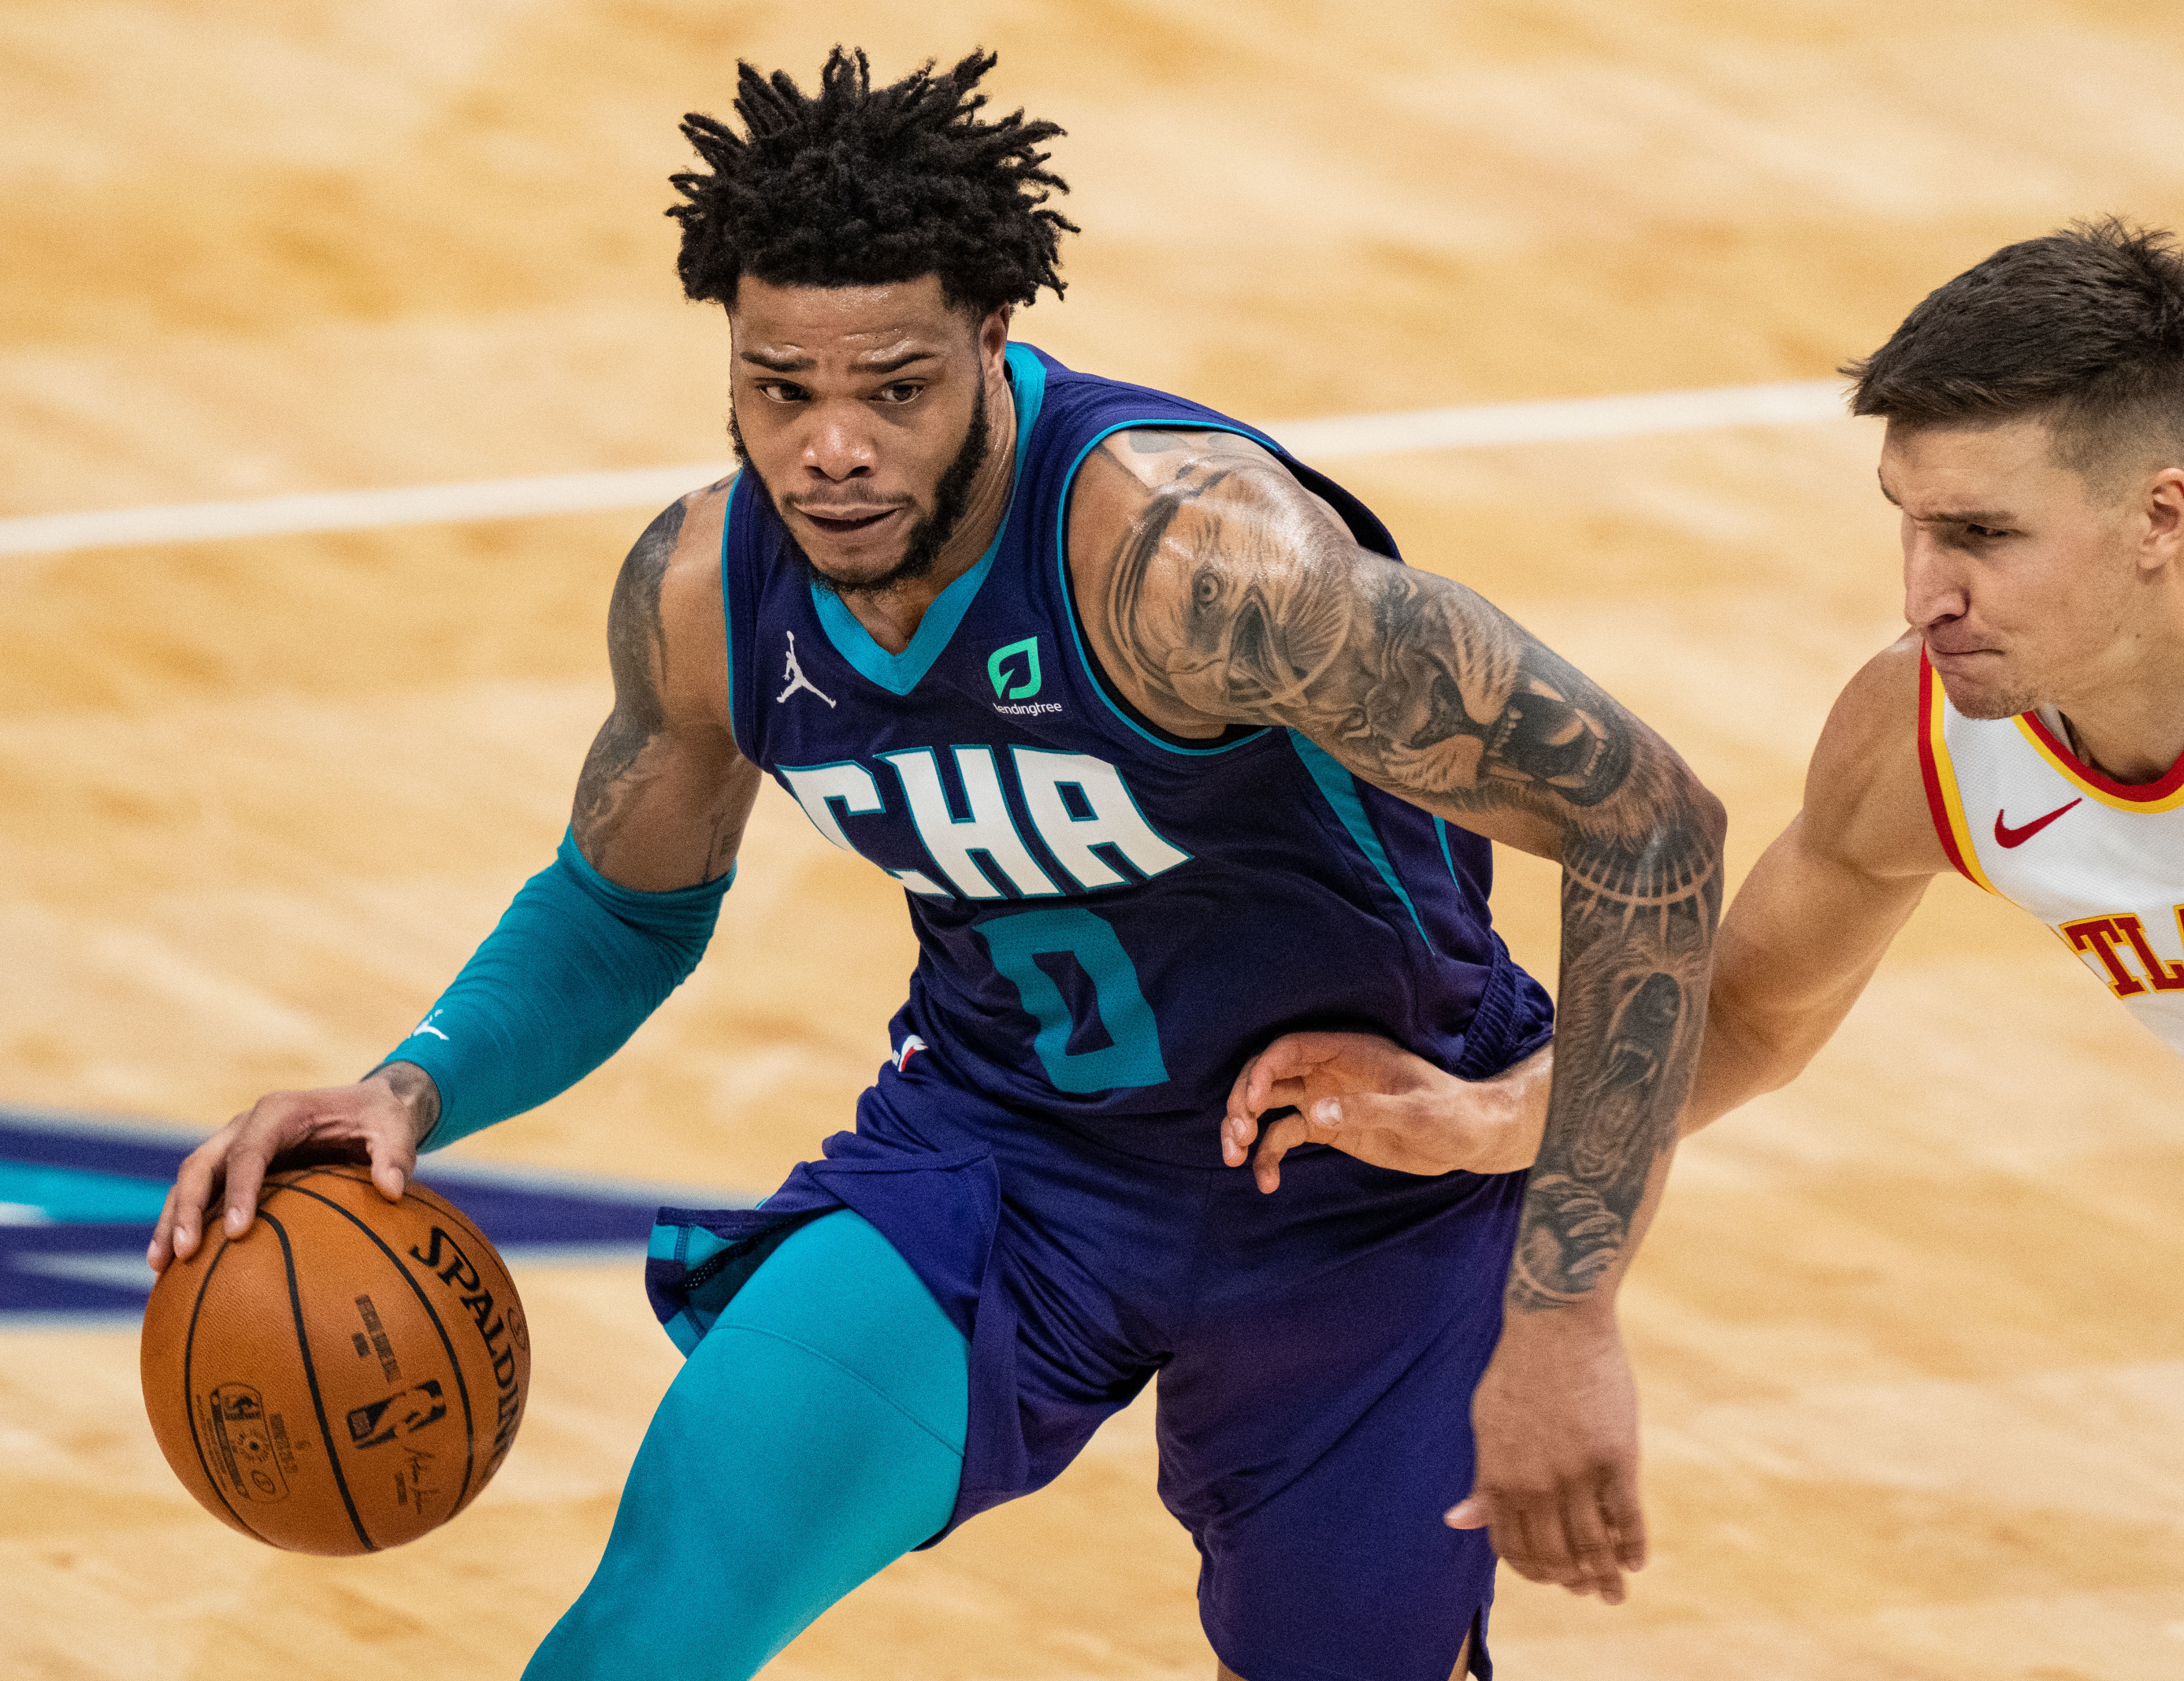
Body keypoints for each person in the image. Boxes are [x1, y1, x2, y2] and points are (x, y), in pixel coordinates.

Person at [144, 49, 1725, 1681]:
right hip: (1005, 1165)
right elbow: (626, 901)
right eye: (780, 388)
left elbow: (1648, 821)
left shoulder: (1195, 566)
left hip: (1357, 1191)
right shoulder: (707, 587)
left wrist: (1566, 1308)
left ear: (992, 342)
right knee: (637, 1637)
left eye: (892, 388)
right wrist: (414, 1086)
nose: (830, 448)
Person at [1225, 218, 2184, 1677]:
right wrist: (1490, 1116)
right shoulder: (1925, 740)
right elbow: (1750, 1011)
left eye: (1984, 535)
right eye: (1911, 519)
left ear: (2159, 516)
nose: (1924, 590)